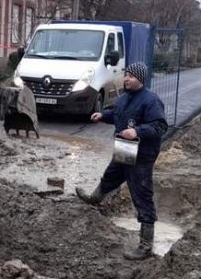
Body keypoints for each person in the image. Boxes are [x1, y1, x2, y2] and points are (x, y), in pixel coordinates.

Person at [75, 62, 168, 260]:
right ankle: (94, 199)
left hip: (141, 156)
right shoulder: (124, 98)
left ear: (140, 79)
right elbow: (117, 115)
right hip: (124, 150)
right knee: (110, 176)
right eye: (126, 75)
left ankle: (145, 246)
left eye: (131, 76)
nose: (127, 79)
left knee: (142, 195)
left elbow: (160, 126)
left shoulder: (151, 101)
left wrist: (137, 131)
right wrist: (103, 116)